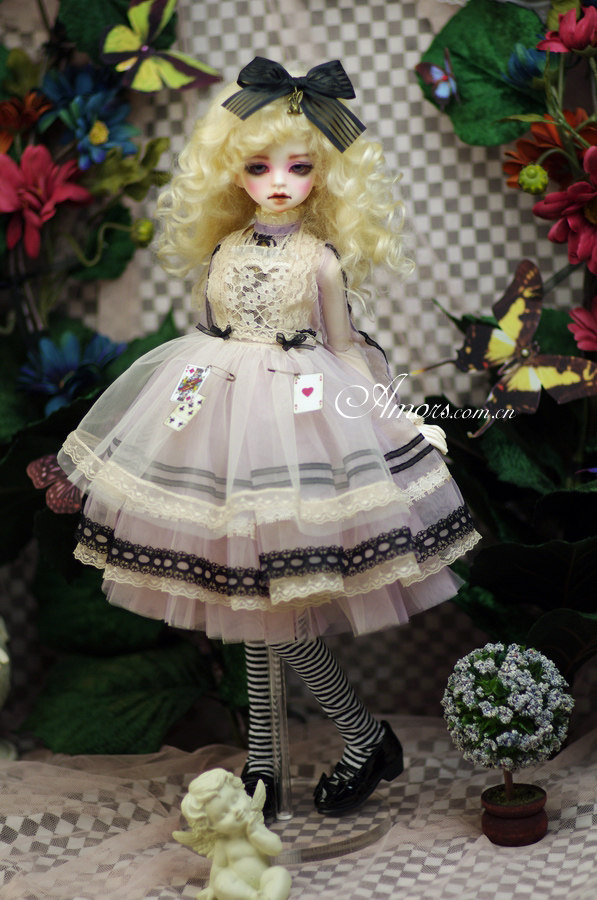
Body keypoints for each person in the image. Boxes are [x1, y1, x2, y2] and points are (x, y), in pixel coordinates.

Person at [58, 58, 480, 821]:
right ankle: (307, 754)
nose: (279, 181)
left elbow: (344, 349)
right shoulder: (223, 251)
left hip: (301, 426)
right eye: (258, 167)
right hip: (222, 428)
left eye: (298, 166)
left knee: (270, 611)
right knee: (253, 608)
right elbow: (207, 336)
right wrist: (169, 424)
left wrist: (390, 419)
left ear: (326, 176)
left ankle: (312, 752)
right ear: (230, 174)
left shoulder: (319, 260)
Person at [173, 768, 291, 900]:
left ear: (243, 793)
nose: (236, 811)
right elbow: (218, 868)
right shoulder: (223, 843)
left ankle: (270, 897)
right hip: (239, 885)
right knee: (221, 881)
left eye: (235, 800)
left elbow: (276, 848)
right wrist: (212, 887)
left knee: (280, 874)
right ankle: (252, 896)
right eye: (224, 814)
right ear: (211, 827)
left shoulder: (256, 827)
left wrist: (256, 834)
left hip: (264, 876)